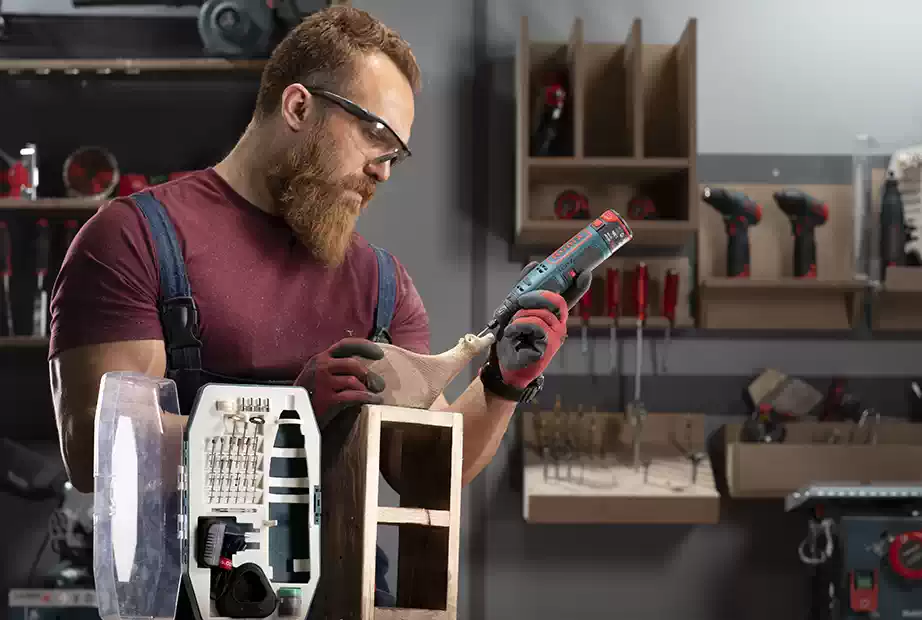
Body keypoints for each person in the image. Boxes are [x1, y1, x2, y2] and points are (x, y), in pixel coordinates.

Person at [47, 4, 590, 612]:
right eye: (375, 138)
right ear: (299, 107)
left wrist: (502, 383)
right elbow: (103, 453)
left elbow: (425, 472)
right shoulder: (132, 239)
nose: (383, 172)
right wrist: (291, 416)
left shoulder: (380, 282)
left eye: (396, 155)